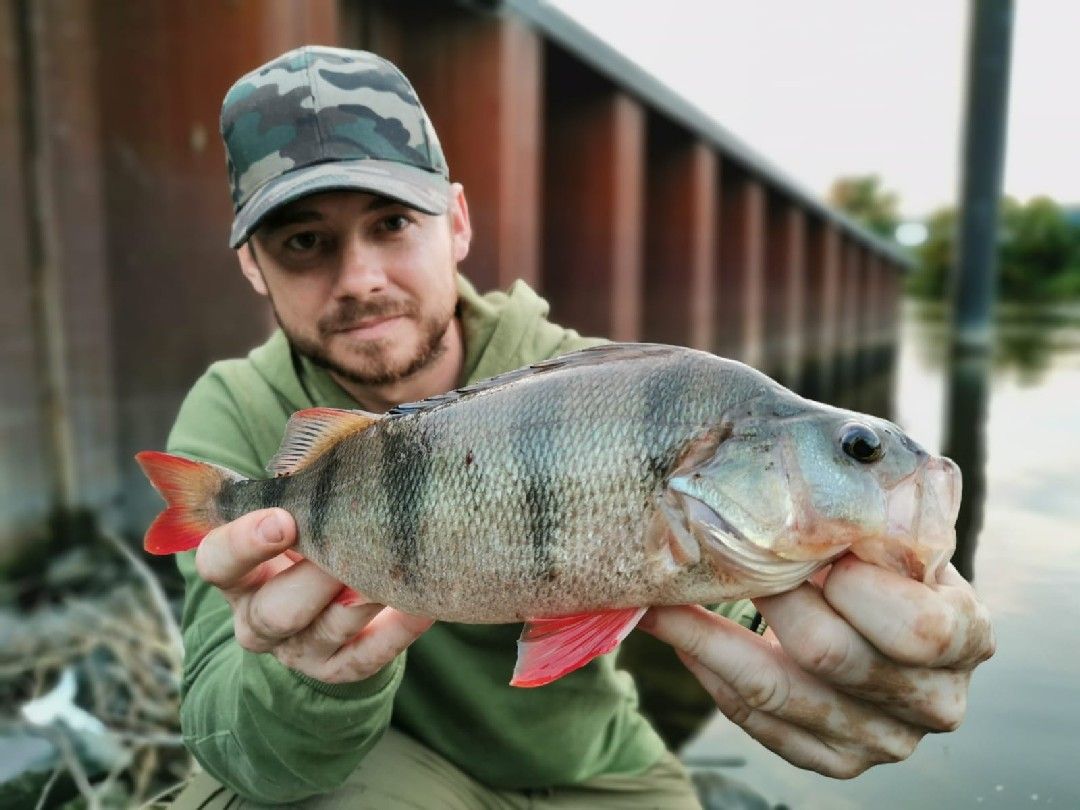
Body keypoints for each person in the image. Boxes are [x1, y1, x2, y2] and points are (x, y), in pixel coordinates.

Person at [167, 46, 994, 809]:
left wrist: (849, 643)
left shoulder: (604, 385)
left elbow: (741, 594)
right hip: (378, 766)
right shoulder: (234, 410)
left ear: (455, 221)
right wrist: (313, 677)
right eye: (305, 242)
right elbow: (217, 729)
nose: (361, 279)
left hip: (590, 764)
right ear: (252, 264)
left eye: (391, 223)